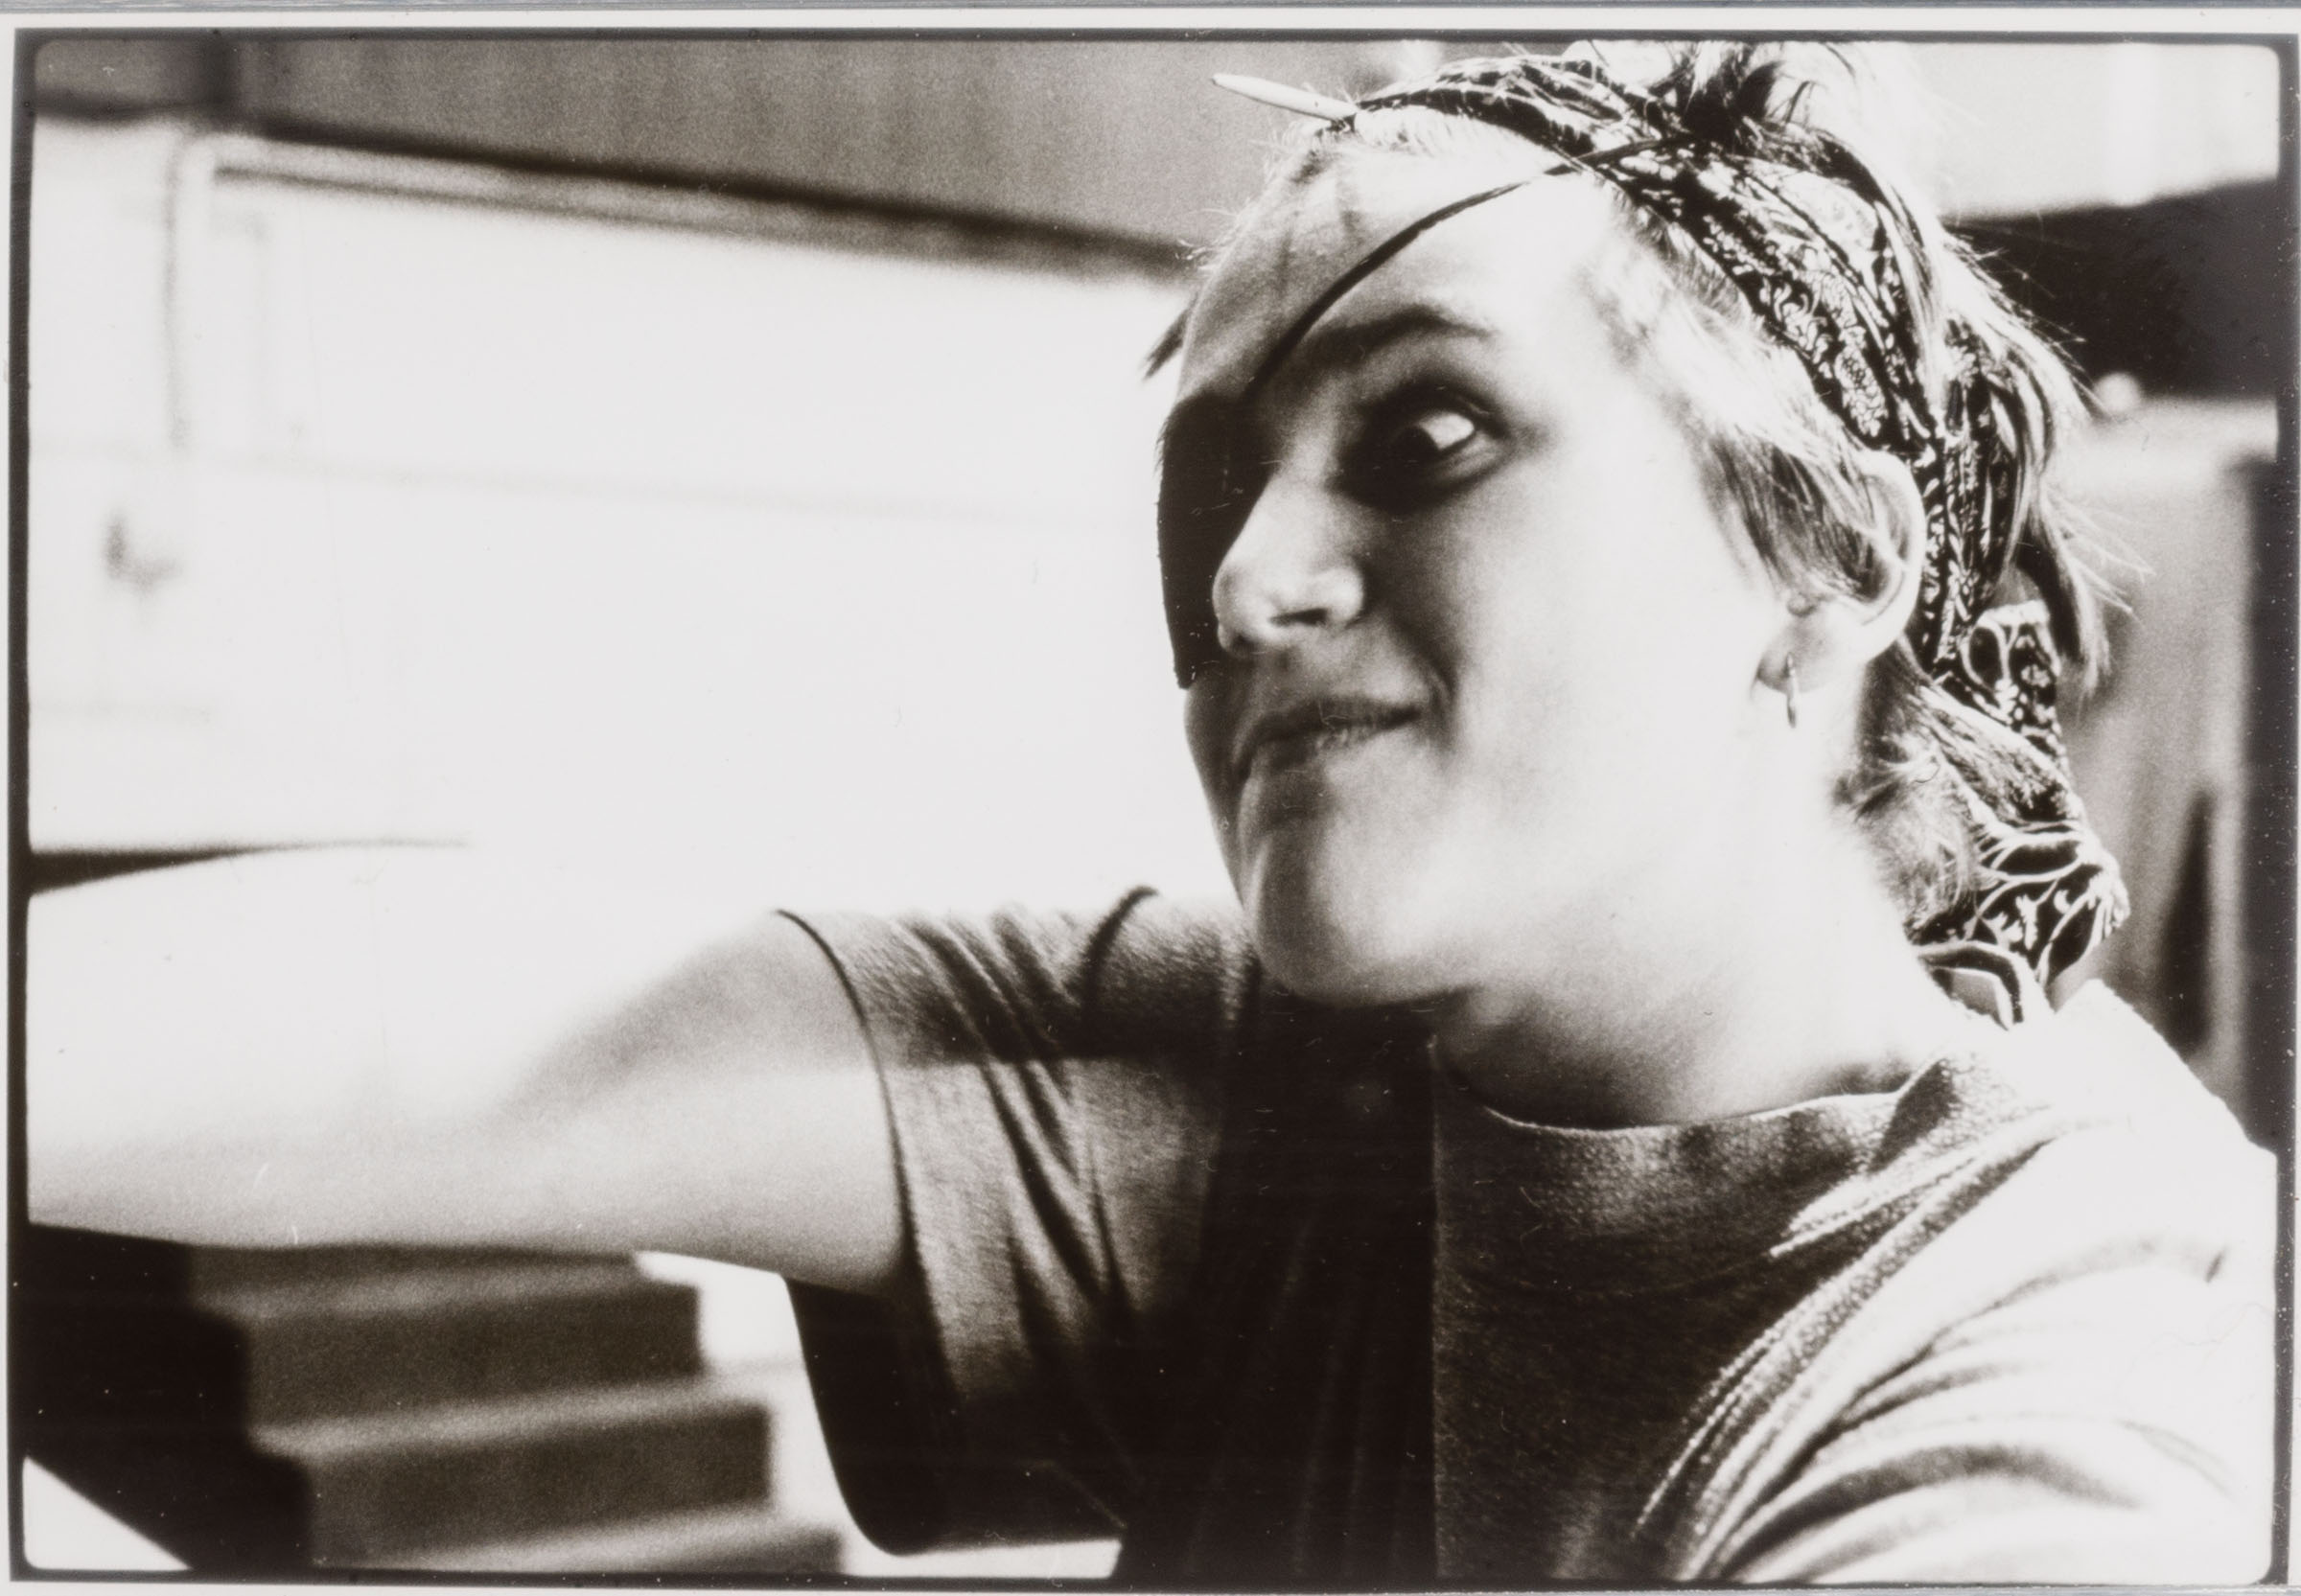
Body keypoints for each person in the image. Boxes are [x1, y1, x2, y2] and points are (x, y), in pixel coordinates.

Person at [27, 42, 2273, 1584]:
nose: (1247, 579)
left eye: (1429, 435)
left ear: (1824, 560)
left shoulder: (2075, 1370)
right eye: (1215, 491)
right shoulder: (1306, 1091)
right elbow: (487, 1029)